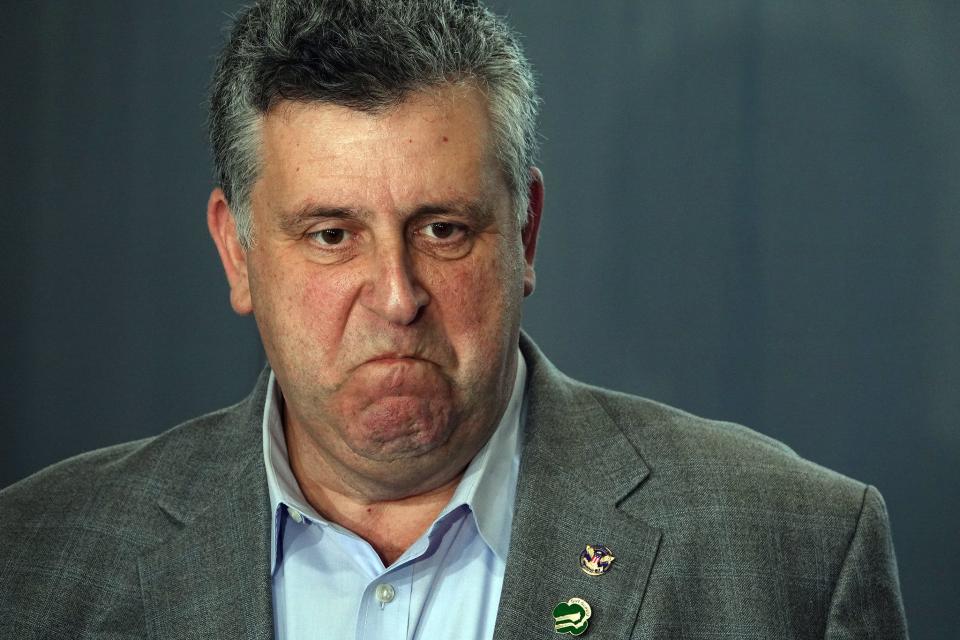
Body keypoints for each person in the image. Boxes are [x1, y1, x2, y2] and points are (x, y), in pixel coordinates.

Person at [0, 0, 907, 638]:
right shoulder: (36, 562)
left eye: (442, 229)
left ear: (525, 233)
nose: (396, 296)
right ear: (238, 253)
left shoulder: (792, 550)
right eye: (329, 235)